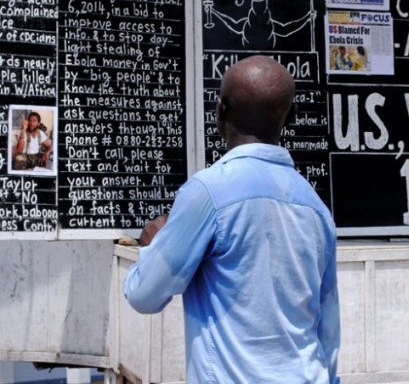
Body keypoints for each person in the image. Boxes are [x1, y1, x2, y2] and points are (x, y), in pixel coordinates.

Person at [123, 56, 340, 384]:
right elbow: (328, 330)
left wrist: (153, 246)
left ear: (221, 110)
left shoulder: (208, 194)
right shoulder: (316, 209)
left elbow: (144, 294)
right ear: (292, 116)